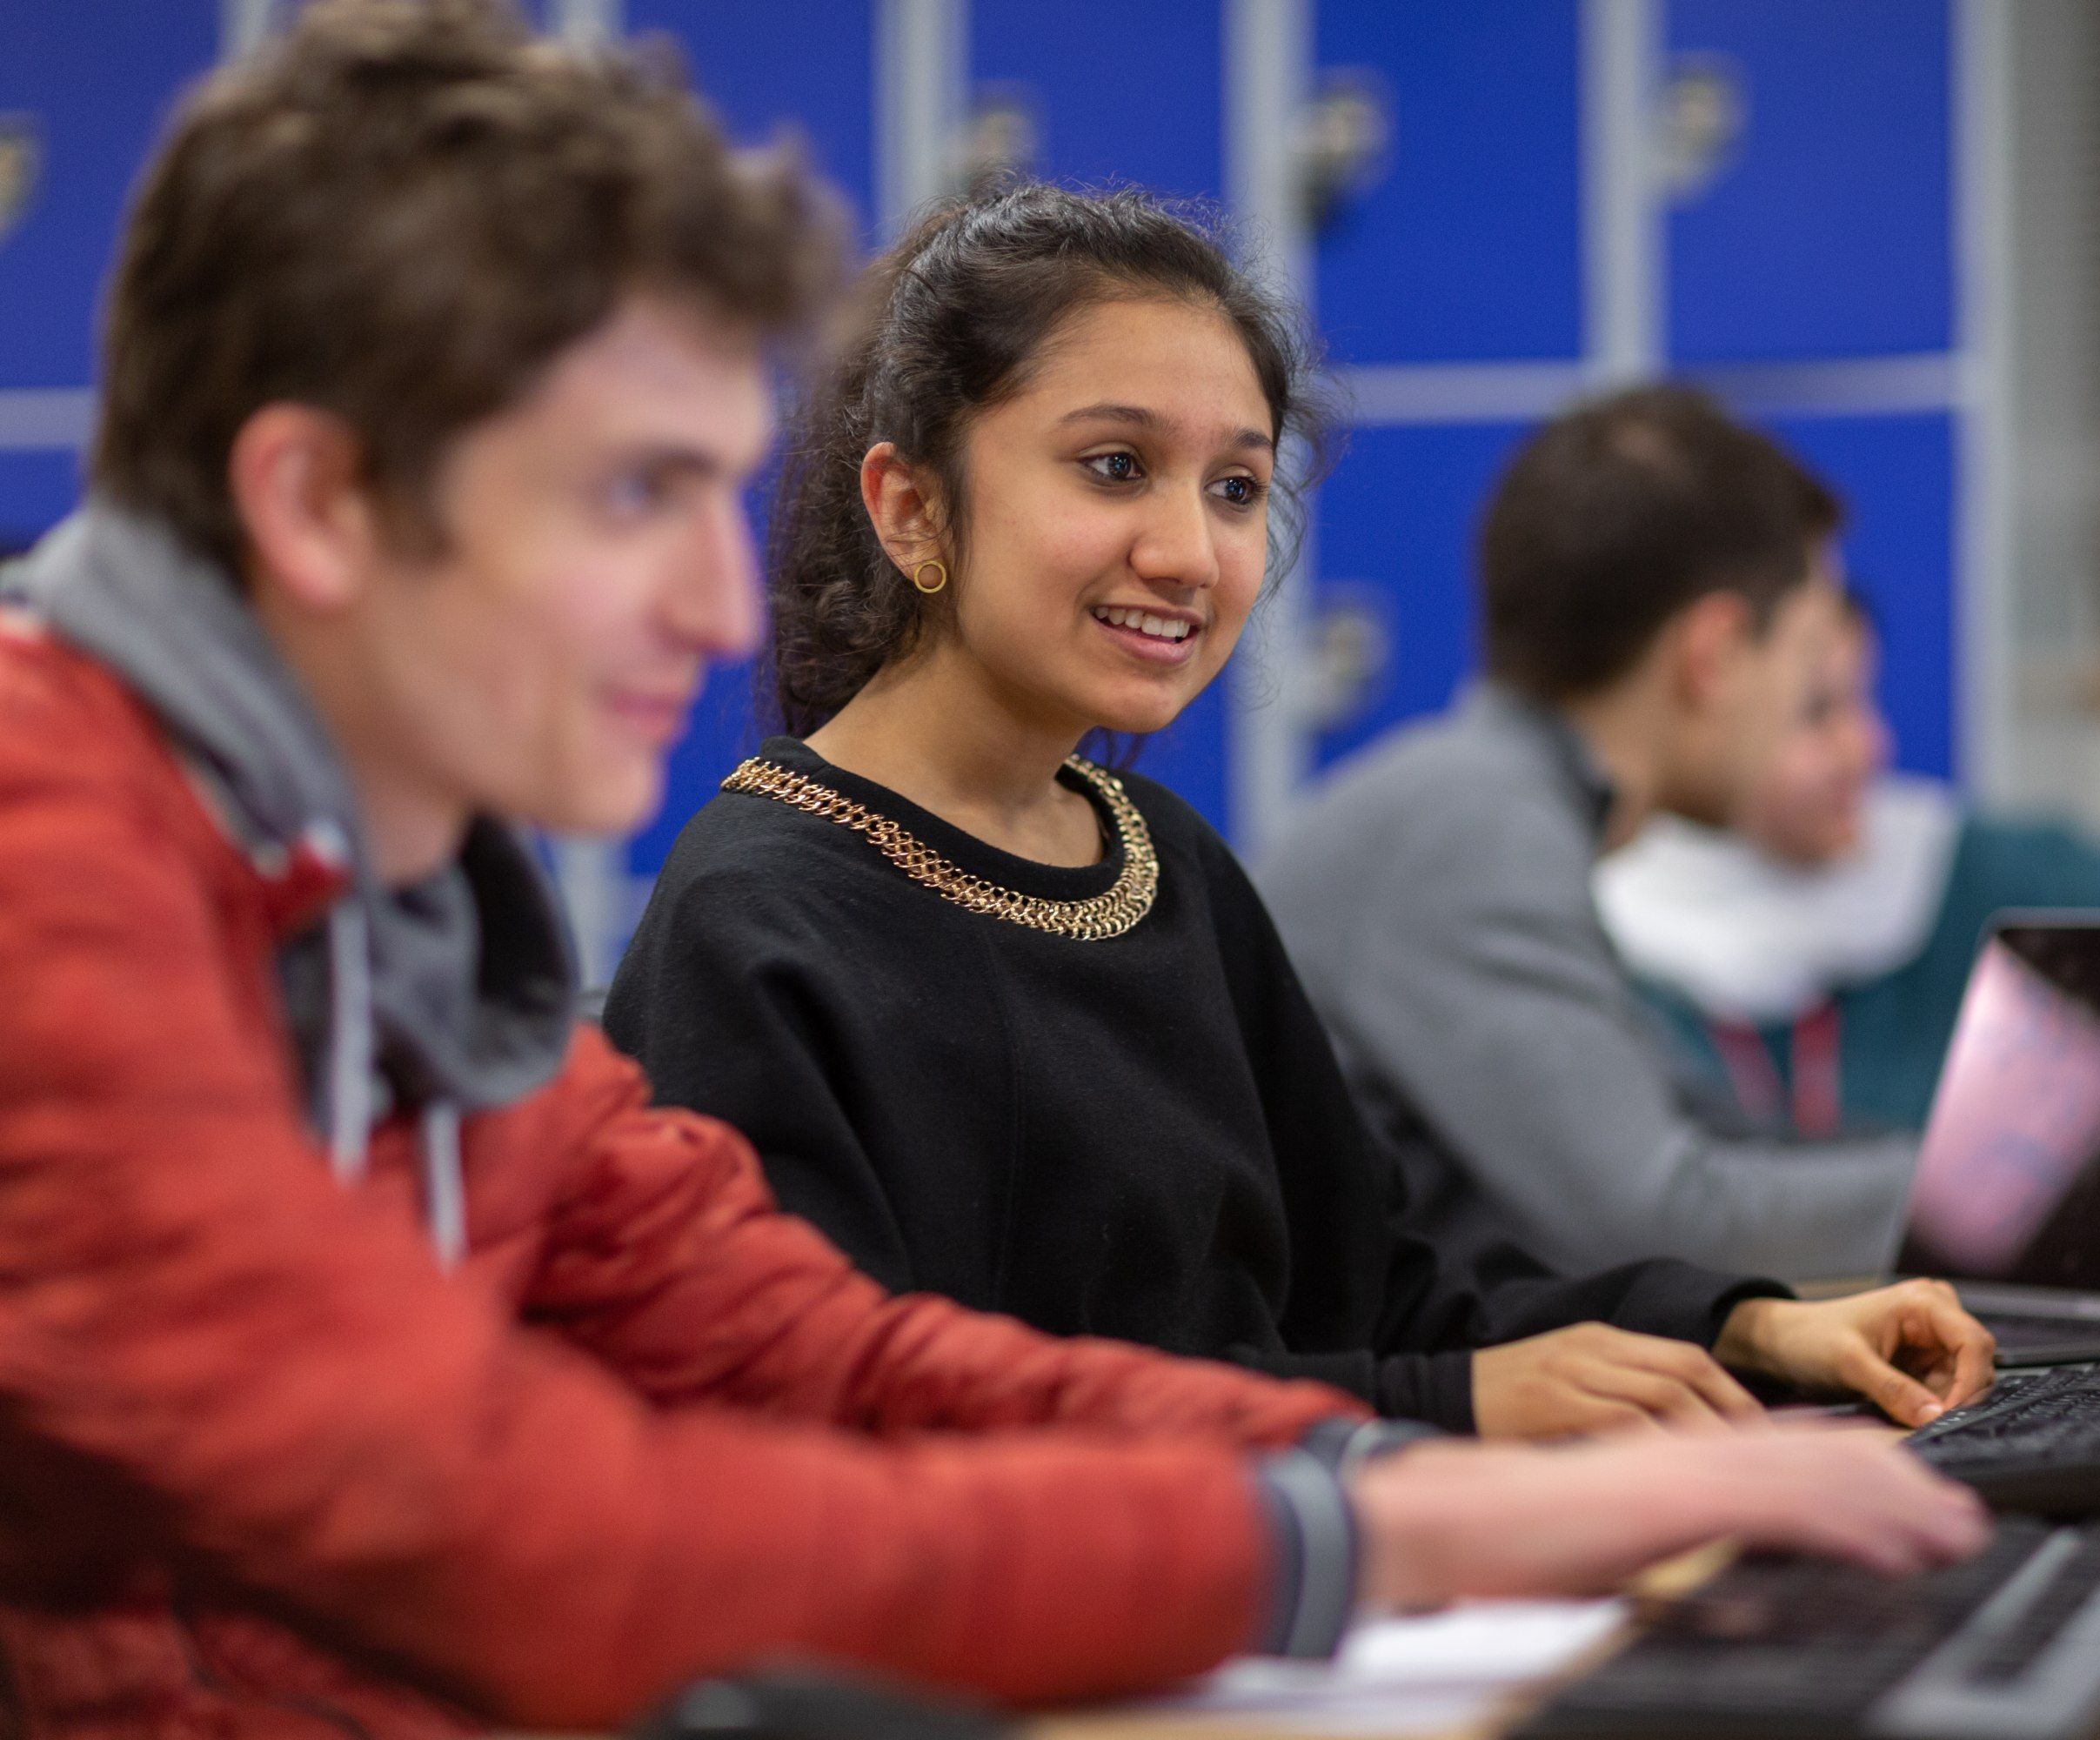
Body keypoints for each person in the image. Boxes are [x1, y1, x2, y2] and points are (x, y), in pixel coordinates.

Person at [0, 9, 1992, 1737]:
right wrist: (1395, 1499)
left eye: (1232, 488)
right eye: (632, 492)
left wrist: (1417, 1474)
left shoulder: (403, 904)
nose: (717, 607)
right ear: (321, 500)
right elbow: (545, 1524)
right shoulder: (52, 868)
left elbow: (827, 1356)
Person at [604, 183, 1994, 1442]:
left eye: (1236, 488)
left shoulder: (1162, 865)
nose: (1189, 551)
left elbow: (1382, 1297)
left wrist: (1744, 1329)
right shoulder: (759, 922)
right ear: (913, 508)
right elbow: (881, 1426)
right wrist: (1438, 1403)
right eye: (1111, 467)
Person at [1255, 391, 1920, 1285]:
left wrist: (1966, 1164)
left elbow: (1709, 1129)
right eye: (1807, 671)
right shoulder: (1470, 826)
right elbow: (1657, 1218)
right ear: (1714, 654)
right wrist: (1995, 1202)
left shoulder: (1505, 805)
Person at [1596, 587, 2100, 1134]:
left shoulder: (1939, 868)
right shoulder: (1602, 943)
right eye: (1816, 713)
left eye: (1862, 701)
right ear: (1708, 703)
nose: (1868, 746)